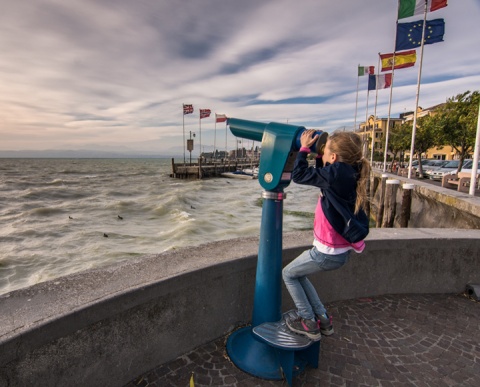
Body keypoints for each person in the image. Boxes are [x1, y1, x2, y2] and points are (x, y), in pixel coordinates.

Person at [282, 129, 371, 341]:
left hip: (326, 252)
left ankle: (309, 323)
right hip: (339, 250)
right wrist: (321, 156)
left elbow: (300, 175)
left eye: (325, 150)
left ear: (334, 158)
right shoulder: (348, 171)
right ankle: (322, 318)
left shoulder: (336, 174)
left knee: (288, 274)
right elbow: (325, 177)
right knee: (298, 273)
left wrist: (304, 150)